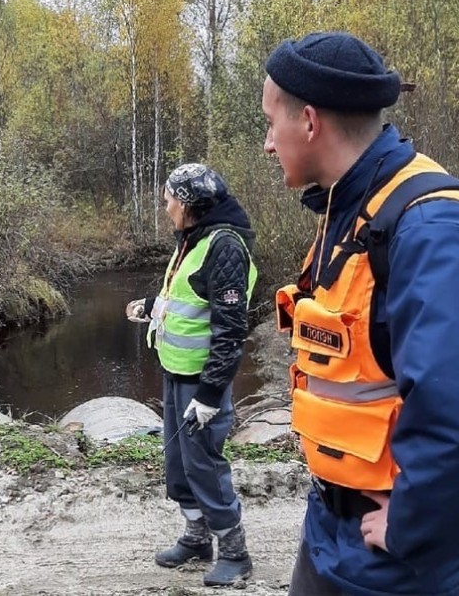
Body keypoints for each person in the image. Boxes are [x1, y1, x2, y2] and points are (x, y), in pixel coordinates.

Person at [263, 32, 459, 595]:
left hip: (397, 563)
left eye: (270, 124)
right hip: (330, 526)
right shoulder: (343, 208)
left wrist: (414, 528)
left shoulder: (428, 228)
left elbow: (450, 406)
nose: (267, 145)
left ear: (308, 121)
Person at [126, 163, 257, 587]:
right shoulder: (193, 239)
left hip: (202, 381)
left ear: (186, 204)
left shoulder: (225, 246)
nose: (165, 208)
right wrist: (151, 305)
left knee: (204, 464)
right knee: (179, 463)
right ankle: (197, 537)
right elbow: (188, 298)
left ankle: (235, 552)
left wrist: (211, 393)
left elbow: (230, 327)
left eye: (168, 201)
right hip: (177, 373)